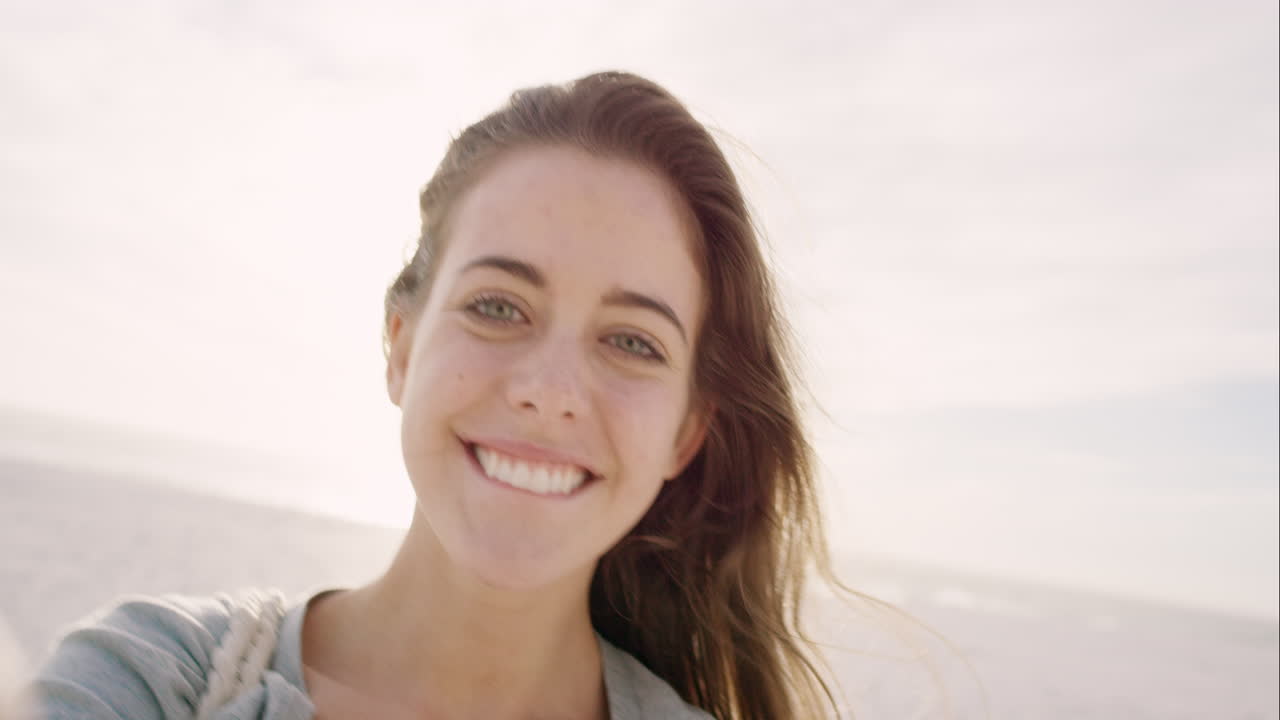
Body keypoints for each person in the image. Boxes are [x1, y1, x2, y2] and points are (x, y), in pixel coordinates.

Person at [32, 71, 841, 719]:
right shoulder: (148, 682)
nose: (548, 392)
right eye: (498, 306)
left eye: (632, 342)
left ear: (686, 433)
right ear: (401, 345)